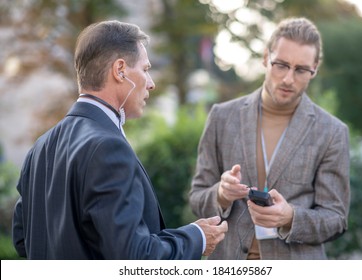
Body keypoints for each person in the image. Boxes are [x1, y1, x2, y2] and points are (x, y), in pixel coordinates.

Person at [12, 20, 228, 260]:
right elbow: (134, 258)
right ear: (120, 70)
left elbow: (23, 240)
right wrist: (196, 237)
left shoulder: (40, 147)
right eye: (145, 70)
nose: (151, 83)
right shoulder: (108, 147)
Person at [189, 17, 350, 260]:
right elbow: (197, 198)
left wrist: (291, 218)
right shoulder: (222, 117)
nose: (288, 78)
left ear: (314, 68)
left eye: (301, 69)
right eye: (281, 65)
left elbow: (336, 219)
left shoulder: (332, 131)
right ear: (266, 58)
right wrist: (221, 194)